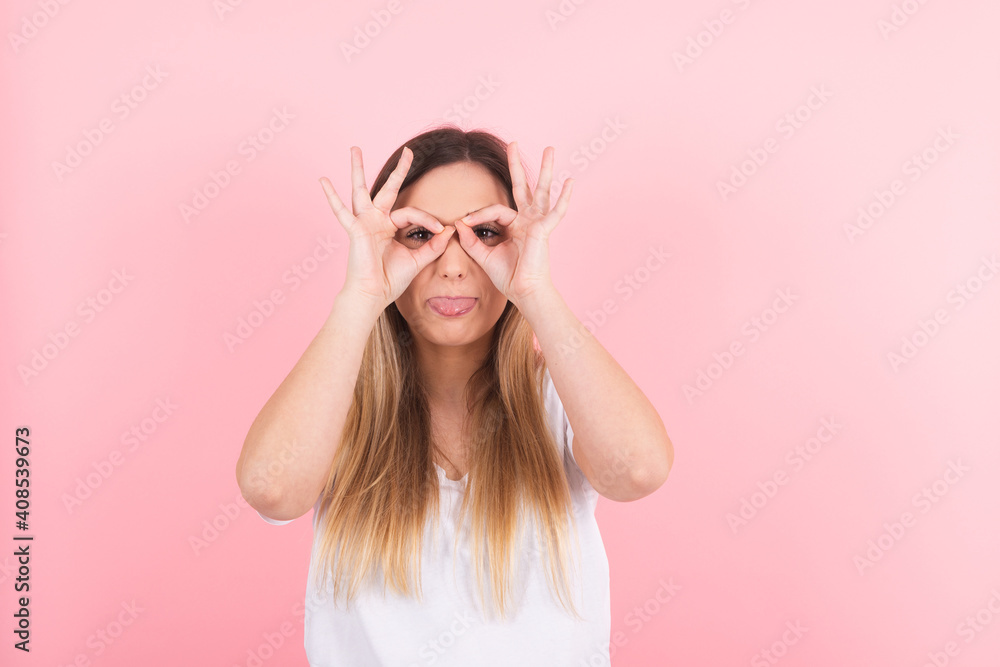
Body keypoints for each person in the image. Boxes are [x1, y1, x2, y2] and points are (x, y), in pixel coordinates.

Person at [235, 125, 673, 666]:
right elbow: (270, 487)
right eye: (420, 235)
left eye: (485, 233)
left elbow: (637, 470)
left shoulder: (560, 396)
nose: (453, 264)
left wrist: (535, 290)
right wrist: (360, 297)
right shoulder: (338, 403)